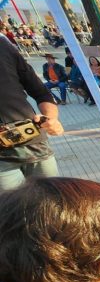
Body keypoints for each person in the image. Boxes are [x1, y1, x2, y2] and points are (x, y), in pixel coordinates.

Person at [0, 38, 63, 191]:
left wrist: (51, 118)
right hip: (2, 161)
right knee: (15, 210)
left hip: (34, 142)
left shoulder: (3, 46)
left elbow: (41, 93)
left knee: (51, 202)